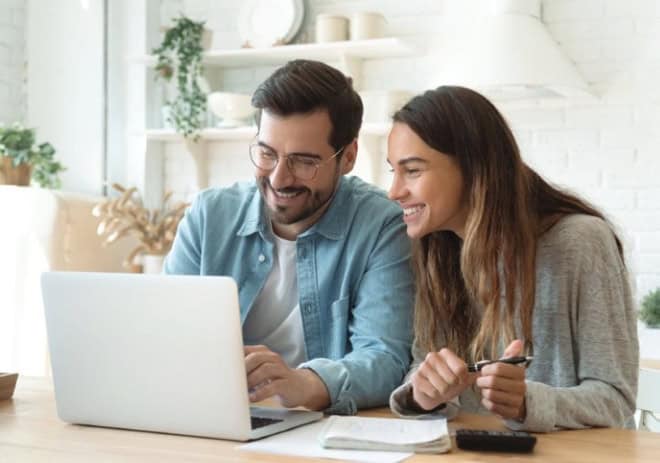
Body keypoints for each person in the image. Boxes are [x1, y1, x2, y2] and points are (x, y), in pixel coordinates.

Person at [164, 59, 413, 415]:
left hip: (318, 428)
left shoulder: (381, 227)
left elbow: (385, 358)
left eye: (303, 161)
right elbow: (165, 333)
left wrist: (307, 384)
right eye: (267, 154)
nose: (279, 179)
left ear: (349, 157)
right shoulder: (208, 216)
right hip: (213, 417)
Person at [386, 86, 639, 432]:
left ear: (473, 168)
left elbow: (615, 398)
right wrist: (424, 393)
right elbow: (423, 365)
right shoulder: (439, 252)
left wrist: (526, 403)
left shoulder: (581, 243)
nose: (394, 191)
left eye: (412, 171)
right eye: (393, 171)